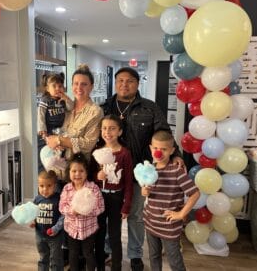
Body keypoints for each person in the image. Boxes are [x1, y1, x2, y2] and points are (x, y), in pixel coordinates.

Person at [101, 67, 183, 271]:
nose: (124, 84)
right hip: (111, 171)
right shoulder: (105, 107)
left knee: (136, 214)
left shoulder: (149, 108)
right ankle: (108, 250)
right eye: (120, 80)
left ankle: (135, 254)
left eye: (129, 81)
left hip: (140, 171)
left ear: (137, 84)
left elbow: (164, 132)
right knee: (110, 213)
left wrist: (176, 155)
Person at [142, 130, 199, 271]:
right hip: (151, 223)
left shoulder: (177, 171)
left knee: (174, 261)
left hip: (169, 227)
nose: (158, 152)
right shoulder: (150, 170)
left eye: (164, 149)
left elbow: (195, 193)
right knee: (154, 256)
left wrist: (181, 214)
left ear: (172, 151)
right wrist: (145, 191)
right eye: (155, 148)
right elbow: (146, 193)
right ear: (150, 148)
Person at [91, 114, 134, 271]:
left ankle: (117, 266)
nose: (107, 132)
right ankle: (100, 265)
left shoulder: (124, 153)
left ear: (120, 132)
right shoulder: (97, 152)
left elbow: (129, 182)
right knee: (99, 232)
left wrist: (126, 205)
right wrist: (98, 176)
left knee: (115, 235)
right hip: (99, 197)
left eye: (112, 128)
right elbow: (90, 178)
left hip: (116, 197)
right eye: (104, 128)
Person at [45, 64, 104, 164]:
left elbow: (88, 144)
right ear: (72, 85)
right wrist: (50, 139)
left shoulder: (95, 112)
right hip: (56, 162)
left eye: (84, 84)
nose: (79, 87)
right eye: (76, 83)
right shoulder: (64, 106)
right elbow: (52, 127)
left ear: (91, 87)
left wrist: (59, 140)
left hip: (78, 170)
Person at [59, 153, 105, 271]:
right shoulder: (67, 188)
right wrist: (72, 211)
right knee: (73, 253)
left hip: (89, 229)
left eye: (81, 171)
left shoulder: (93, 188)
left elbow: (101, 207)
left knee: (88, 253)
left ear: (86, 172)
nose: (77, 174)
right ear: (69, 172)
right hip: (71, 228)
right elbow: (62, 207)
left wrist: (87, 210)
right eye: (74, 171)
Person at [30, 170, 64, 271]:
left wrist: (56, 228)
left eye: (49, 186)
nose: (45, 189)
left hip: (55, 236)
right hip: (40, 235)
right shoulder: (37, 199)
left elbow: (63, 216)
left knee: (55, 259)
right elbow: (33, 213)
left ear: (55, 185)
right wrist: (32, 221)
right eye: (41, 186)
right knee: (43, 257)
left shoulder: (59, 198)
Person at [37, 72, 73, 138]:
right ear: (47, 89)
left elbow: (71, 108)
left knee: (63, 145)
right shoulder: (45, 100)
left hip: (62, 130)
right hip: (49, 131)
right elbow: (41, 116)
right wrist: (43, 131)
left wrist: (66, 98)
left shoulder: (63, 99)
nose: (57, 89)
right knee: (55, 146)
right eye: (54, 86)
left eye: (60, 86)